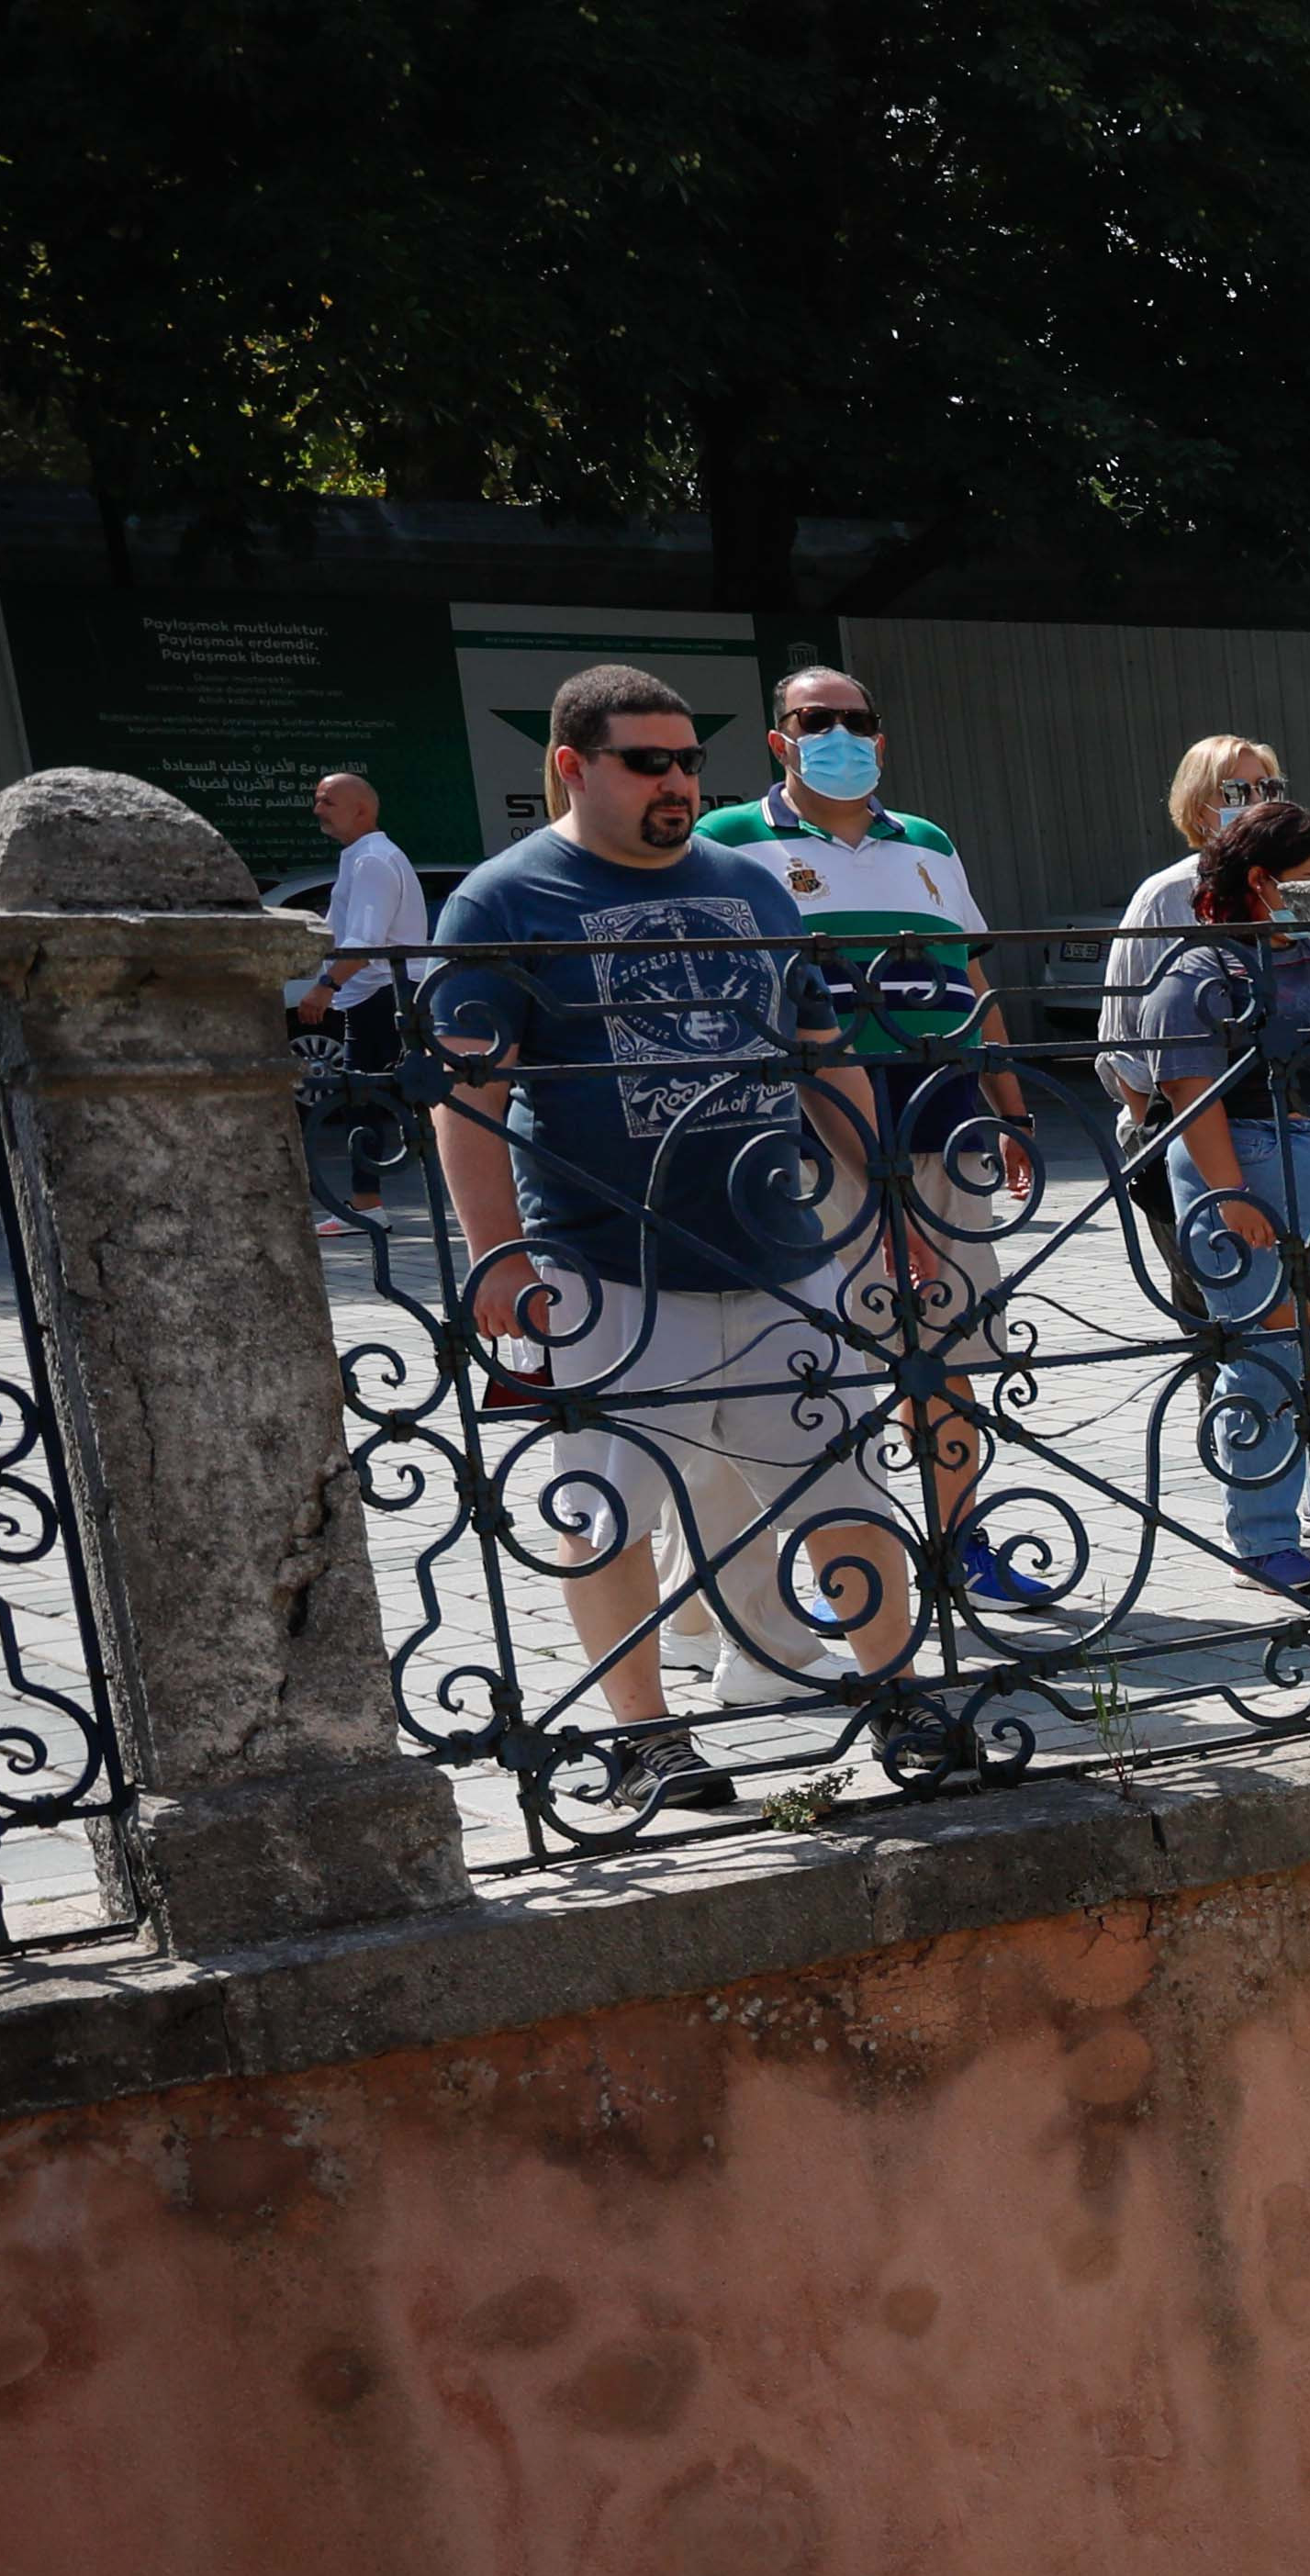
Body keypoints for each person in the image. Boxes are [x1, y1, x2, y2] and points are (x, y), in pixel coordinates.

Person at [415, 661, 914, 1816]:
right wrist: (498, 1254)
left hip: (780, 1250)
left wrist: (884, 1199)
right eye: (649, 762)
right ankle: (645, 1734)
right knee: (607, 1510)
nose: (678, 781)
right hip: (609, 1261)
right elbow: (468, 1095)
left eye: (689, 759)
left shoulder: (758, 887)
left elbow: (822, 1054)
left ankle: (894, 1692)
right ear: (573, 767)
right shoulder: (503, 900)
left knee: (845, 1484)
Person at [702, 666, 1048, 1607]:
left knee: (949, 1351)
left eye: (859, 721)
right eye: (818, 721)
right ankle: (845, 1562)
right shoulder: (729, 841)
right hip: (813, 1130)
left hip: (942, 1117)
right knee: (828, 1361)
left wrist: (1010, 1106)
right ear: (780, 737)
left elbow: (971, 983)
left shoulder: (929, 842)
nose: (841, 735)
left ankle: (956, 1549)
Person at [1134, 797, 1310, 1602]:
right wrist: (1226, 1195)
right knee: (1267, 1367)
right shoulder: (1200, 970)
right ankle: (1265, 1540)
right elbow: (1189, 1094)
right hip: (1246, 1163)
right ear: (1261, 880)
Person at [1101, 734, 1292, 1324]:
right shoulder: (1167, 895)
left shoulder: (1287, 887)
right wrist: (1159, 1132)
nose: (1255, 800)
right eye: (1237, 789)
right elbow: (1122, 1040)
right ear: (1198, 803)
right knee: (1224, 1319)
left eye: (1269, 788)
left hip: (1283, 1131)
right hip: (1184, 1128)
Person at [289, 769, 428, 1206]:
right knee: (362, 1101)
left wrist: (326, 987)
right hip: (372, 995)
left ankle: (383, 1204)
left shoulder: (373, 859)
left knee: (403, 1101)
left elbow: (366, 942)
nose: (318, 811)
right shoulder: (359, 857)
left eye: (327, 801)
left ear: (361, 809)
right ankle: (369, 1205)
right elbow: (338, 931)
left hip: (386, 995)